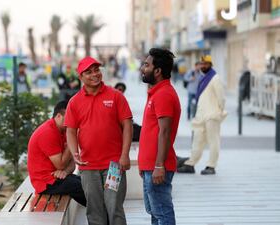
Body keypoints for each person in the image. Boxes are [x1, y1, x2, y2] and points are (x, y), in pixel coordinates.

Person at [65, 56, 133, 225]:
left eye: (96, 70)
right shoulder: (74, 102)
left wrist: (124, 155)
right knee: (94, 211)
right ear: (81, 77)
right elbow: (71, 131)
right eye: (88, 72)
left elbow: (128, 125)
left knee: (114, 208)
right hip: (88, 167)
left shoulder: (116, 96)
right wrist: (75, 154)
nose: (94, 74)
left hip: (114, 165)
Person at [138, 48, 181, 225]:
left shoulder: (163, 95)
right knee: (155, 213)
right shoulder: (156, 93)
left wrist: (159, 165)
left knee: (162, 214)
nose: (142, 68)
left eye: (147, 65)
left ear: (157, 71)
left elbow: (164, 132)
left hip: (157, 166)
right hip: (150, 166)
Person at [27, 100, 86, 206]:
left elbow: (72, 164)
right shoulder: (48, 132)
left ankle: (100, 214)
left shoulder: (63, 131)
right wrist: (71, 141)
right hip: (46, 183)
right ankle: (100, 214)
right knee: (82, 187)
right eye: (69, 118)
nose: (72, 122)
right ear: (58, 116)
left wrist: (65, 172)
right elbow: (61, 164)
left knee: (87, 183)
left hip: (57, 178)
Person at [177, 55, 227, 175]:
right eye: (201, 63)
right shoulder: (203, 78)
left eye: (206, 64)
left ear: (210, 65)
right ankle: (191, 164)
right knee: (197, 140)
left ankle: (211, 166)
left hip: (212, 115)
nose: (203, 66)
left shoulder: (215, 78)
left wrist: (219, 112)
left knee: (213, 140)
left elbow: (222, 98)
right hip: (201, 115)